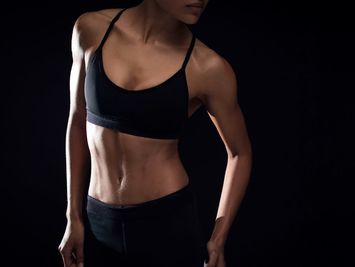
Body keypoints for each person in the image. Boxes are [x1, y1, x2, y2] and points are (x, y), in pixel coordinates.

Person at [58, 0, 252, 266]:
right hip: (97, 222)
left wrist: (219, 237)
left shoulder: (207, 67)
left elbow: (240, 152)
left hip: (166, 224)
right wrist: (74, 217)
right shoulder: (91, 29)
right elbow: (78, 121)